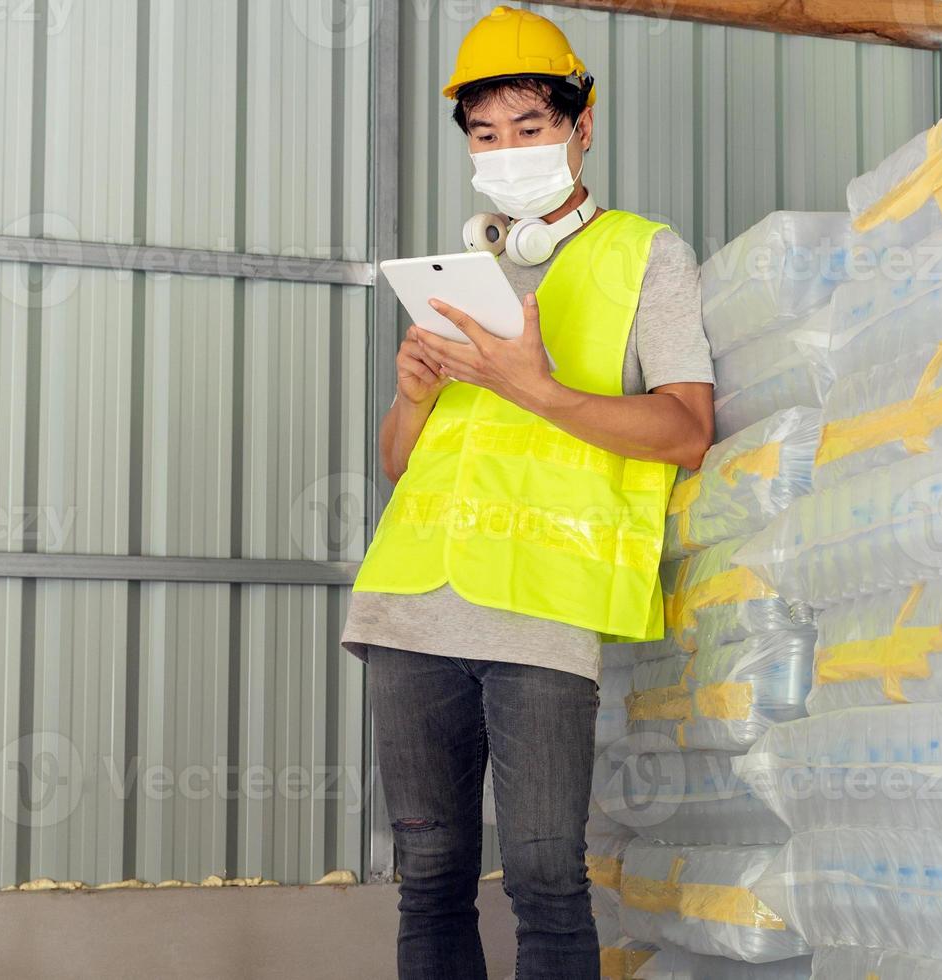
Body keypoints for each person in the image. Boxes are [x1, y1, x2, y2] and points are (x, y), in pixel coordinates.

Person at [340, 7, 714, 978]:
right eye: (486, 134)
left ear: (582, 126)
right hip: (411, 602)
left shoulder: (645, 255)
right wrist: (411, 396)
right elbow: (397, 464)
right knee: (428, 873)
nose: (507, 151)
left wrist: (535, 387)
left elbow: (685, 431)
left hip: (543, 603)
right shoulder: (456, 272)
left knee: (547, 875)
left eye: (531, 127)